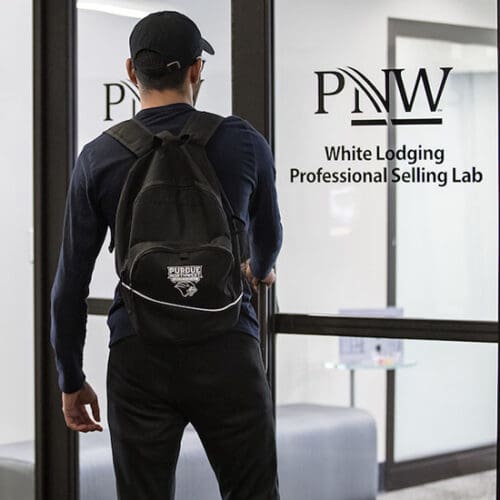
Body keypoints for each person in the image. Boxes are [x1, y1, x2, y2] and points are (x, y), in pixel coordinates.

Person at [50, 10, 283, 500]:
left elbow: (69, 284)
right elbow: (270, 236)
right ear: (196, 70)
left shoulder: (99, 155)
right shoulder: (242, 141)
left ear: (132, 72)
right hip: (228, 348)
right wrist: (257, 270)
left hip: (139, 354)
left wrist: (71, 378)